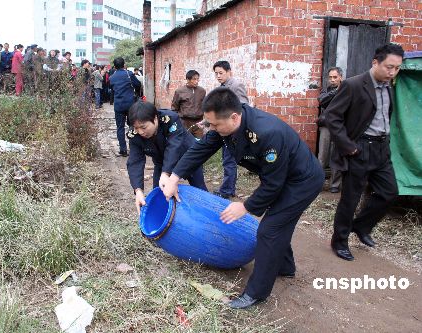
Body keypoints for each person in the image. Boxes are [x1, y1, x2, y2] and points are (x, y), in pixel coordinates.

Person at [161, 87, 324, 309]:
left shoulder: (267, 133)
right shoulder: (226, 127)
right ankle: (285, 267)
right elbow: (200, 150)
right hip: (281, 176)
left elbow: (273, 185)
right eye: (210, 124)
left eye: (215, 125)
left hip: (301, 182)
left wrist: (245, 206)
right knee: (278, 224)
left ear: (234, 117)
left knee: (269, 230)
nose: (212, 129)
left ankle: (256, 293)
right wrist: (174, 176)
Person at [326, 43, 404, 261]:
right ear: (375, 63)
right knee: (350, 199)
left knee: (389, 192)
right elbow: (332, 117)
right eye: (389, 67)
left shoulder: (389, 86)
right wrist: (348, 146)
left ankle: (361, 227)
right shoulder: (353, 85)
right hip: (359, 149)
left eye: (397, 68)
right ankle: (339, 241)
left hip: (381, 149)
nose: (392, 72)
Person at [127, 101, 208, 214]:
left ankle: (207, 213)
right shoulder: (134, 135)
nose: (140, 132)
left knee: (199, 188)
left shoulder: (170, 119)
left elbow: (173, 147)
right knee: (159, 192)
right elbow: (135, 161)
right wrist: (138, 190)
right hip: (161, 162)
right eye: (136, 128)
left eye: (143, 127)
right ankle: (164, 219)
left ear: (155, 119)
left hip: (187, 157)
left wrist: (166, 174)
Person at [212, 60, 249, 199]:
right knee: (227, 159)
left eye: (221, 73)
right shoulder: (221, 87)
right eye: (216, 73)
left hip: (234, 130)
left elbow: (243, 106)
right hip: (224, 128)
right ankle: (228, 188)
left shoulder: (236, 85)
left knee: (229, 160)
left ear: (229, 72)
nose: (218, 76)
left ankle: (227, 190)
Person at [317, 67, 343, 193]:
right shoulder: (326, 90)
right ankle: (318, 183)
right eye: (330, 77)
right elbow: (322, 101)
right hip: (326, 126)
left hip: (340, 127)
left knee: (336, 156)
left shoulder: (347, 90)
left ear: (341, 77)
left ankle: (335, 185)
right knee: (322, 156)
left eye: (335, 77)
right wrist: (335, 92)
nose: (332, 80)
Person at [109, 57, 141, 157]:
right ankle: (133, 148)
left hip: (119, 105)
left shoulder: (112, 77)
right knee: (132, 125)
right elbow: (138, 84)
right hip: (130, 104)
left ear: (114, 66)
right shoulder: (129, 74)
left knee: (120, 127)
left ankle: (123, 150)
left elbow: (112, 89)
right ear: (124, 64)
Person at [171, 70, 206, 139]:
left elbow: (204, 106)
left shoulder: (202, 91)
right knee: (185, 142)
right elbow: (174, 108)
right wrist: (177, 121)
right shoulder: (179, 91)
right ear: (187, 79)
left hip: (198, 122)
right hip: (184, 122)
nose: (197, 81)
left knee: (199, 143)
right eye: (194, 79)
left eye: (197, 79)